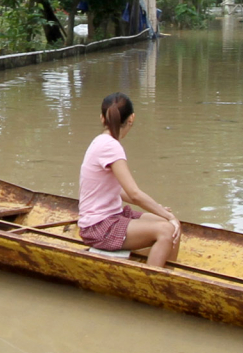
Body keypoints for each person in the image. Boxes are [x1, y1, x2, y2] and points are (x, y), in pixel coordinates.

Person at [78, 93, 181, 266]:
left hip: (110, 217)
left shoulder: (100, 142)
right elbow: (134, 194)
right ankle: (151, 286)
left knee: (170, 225)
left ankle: (167, 273)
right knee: (167, 230)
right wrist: (168, 215)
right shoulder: (110, 146)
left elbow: (116, 190)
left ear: (102, 118)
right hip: (99, 227)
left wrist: (160, 212)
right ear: (131, 118)